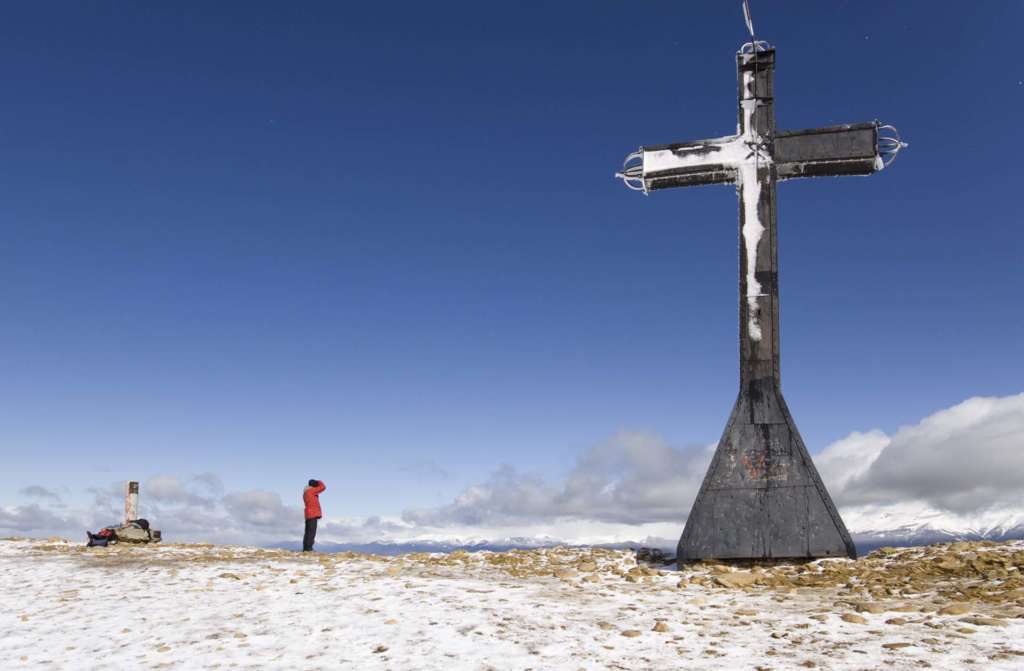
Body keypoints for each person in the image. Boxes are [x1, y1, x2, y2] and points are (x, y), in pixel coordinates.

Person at [302, 479, 326, 552]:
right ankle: (309, 549)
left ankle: (306, 548)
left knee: (308, 532)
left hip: (308, 514)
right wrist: (318, 481)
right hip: (313, 514)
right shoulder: (311, 491)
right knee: (311, 532)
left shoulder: (306, 492)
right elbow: (323, 487)